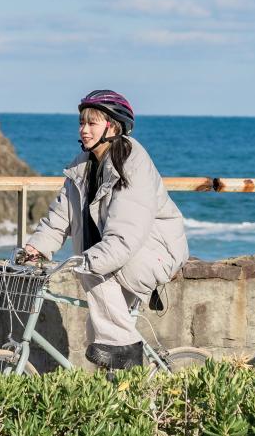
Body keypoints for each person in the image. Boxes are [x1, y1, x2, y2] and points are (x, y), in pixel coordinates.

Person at [17, 89, 189, 370]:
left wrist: (88, 260)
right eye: (82, 123)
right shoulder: (82, 167)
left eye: (92, 123)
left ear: (113, 126)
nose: (84, 130)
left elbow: (126, 234)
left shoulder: (133, 165)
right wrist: (35, 248)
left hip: (154, 252)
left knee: (94, 283)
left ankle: (126, 350)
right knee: (96, 333)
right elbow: (60, 216)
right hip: (121, 254)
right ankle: (118, 391)